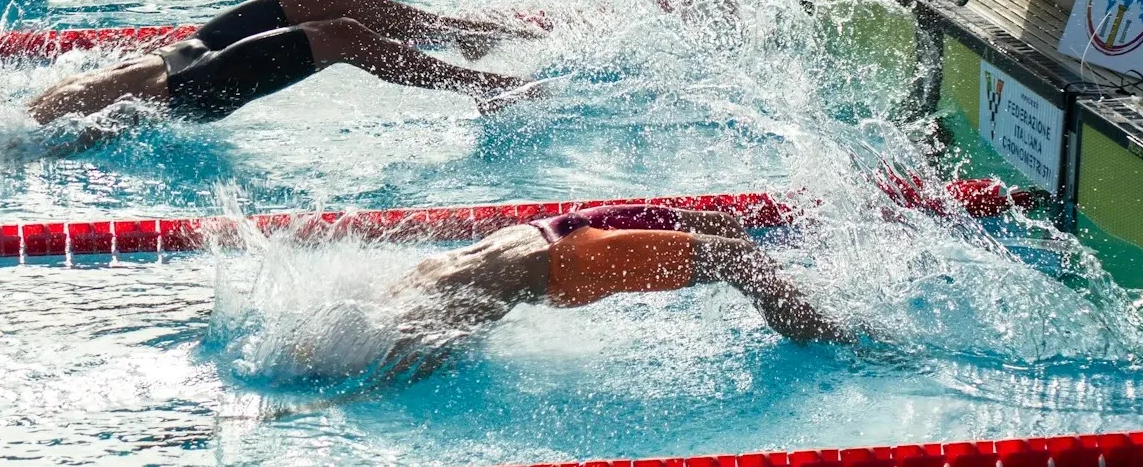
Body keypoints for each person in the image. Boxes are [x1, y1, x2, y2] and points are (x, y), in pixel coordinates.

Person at [342, 203, 848, 383]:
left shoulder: (420, 278)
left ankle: (815, 321)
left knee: (733, 243)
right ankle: (837, 342)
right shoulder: (442, 297)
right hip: (564, 258)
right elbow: (736, 247)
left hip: (553, 240)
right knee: (740, 258)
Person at [24, 0, 538, 130]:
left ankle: (461, 34)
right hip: (189, 90)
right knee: (341, 35)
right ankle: (488, 88)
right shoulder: (19, 134)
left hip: (181, 53)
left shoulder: (10, 113)